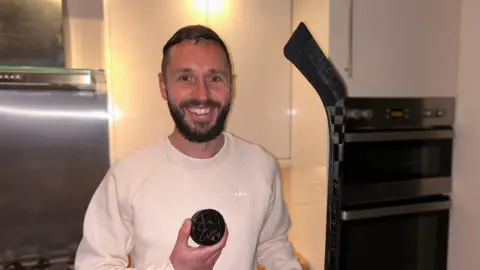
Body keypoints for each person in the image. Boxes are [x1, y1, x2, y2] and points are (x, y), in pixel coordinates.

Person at [74, 25, 302, 270]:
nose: (202, 94)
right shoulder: (127, 176)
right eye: (186, 78)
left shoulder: (261, 165)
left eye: (214, 78)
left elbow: (272, 245)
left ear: (231, 86)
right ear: (163, 86)